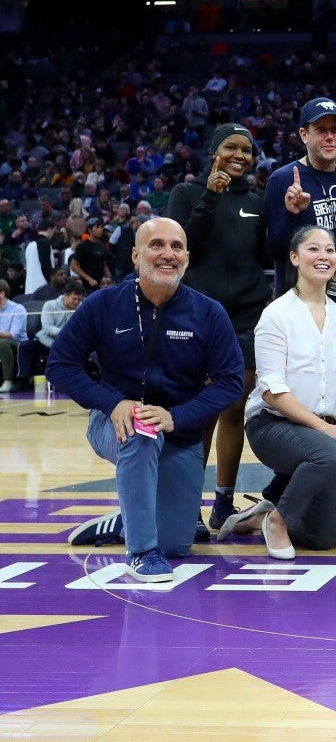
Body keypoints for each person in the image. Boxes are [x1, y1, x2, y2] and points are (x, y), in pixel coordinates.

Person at [46, 218, 244, 582]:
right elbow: (60, 365)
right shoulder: (104, 304)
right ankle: (140, 552)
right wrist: (112, 402)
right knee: (140, 429)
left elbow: (231, 382)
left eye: (177, 246)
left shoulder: (208, 312)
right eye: (156, 245)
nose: (168, 253)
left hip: (179, 433)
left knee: (177, 544)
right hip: (115, 423)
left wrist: (177, 417)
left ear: (186, 256)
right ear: (136, 255)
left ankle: (126, 519)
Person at [221, 226, 336, 557]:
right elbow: (271, 392)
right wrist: (327, 429)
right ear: (294, 258)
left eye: (329, 250)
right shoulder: (276, 314)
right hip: (274, 425)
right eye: (313, 249)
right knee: (332, 455)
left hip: (327, 432)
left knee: (323, 537)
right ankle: (278, 521)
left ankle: (264, 511)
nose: (323, 256)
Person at [167, 122, 272, 532]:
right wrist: (211, 196)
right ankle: (188, 503)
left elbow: (266, 252)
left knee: (234, 410)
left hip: (246, 318)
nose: (240, 155)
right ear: (214, 151)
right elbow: (182, 248)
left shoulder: (258, 202)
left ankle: (223, 503)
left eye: (247, 150)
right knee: (199, 415)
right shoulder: (186, 193)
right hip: (198, 317)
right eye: (231, 147)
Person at [264, 97, 336, 305]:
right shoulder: (282, 179)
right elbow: (275, 251)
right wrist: (293, 216)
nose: (329, 137)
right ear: (303, 135)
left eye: (335, 130)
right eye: (321, 130)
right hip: (300, 304)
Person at [13, 278, 84, 393]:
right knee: (25, 346)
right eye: (74, 299)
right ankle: (23, 379)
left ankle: (67, 382)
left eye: (79, 300)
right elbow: (47, 327)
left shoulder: (81, 308)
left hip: (67, 344)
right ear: (66, 295)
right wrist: (66, 333)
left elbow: (79, 329)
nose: (76, 302)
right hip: (46, 340)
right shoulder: (50, 305)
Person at [70, 217, 111, 292]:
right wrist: (89, 279)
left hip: (101, 285)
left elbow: (104, 264)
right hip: (87, 286)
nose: (100, 230)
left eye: (101, 227)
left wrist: (110, 278)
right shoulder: (83, 246)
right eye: (97, 227)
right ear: (89, 230)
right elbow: (73, 265)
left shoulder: (102, 245)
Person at [0, 279, 26, 392]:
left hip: (19, 343)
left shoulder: (17, 308)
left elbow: (14, 335)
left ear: (2, 293)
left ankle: (8, 381)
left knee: (3, 343)